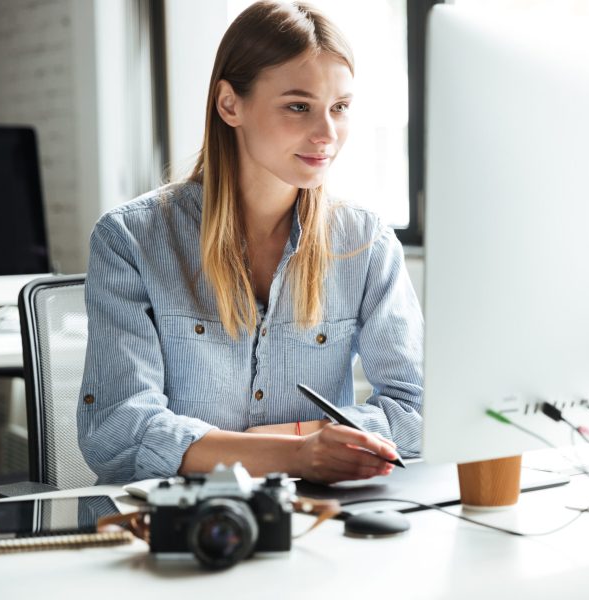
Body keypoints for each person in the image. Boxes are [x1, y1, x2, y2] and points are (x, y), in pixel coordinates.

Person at [77, 0, 423, 485]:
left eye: (339, 108)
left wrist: (299, 446)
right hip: (173, 524)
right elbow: (118, 432)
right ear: (229, 104)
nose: (327, 134)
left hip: (313, 519)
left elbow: (415, 409)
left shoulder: (365, 242)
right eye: (298, 106)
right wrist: (299, 452)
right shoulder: (130, 239)